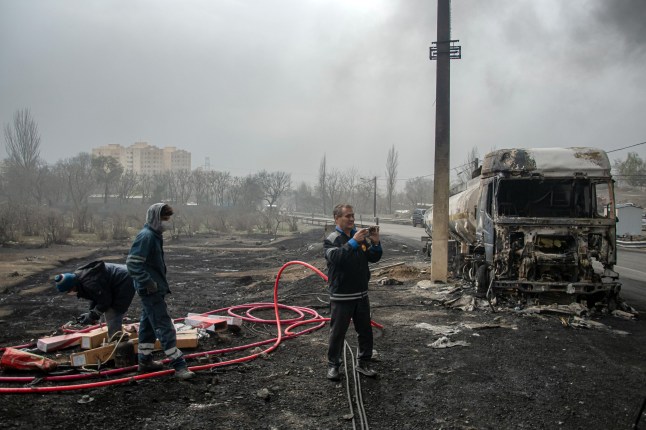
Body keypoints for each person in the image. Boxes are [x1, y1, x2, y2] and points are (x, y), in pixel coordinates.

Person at [126, 203, 195, 380]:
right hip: (150, 291)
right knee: (164, 326)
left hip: (154, 289)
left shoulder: (154, 235)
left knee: (148, 325)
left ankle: (144, 361)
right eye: (164, 219)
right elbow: (133, 264)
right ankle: (179, 365)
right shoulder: (146, 236)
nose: (167, 222)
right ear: (155, 218)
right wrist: (149, 283)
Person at [324, 203, 382, 381]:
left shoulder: (359, 237)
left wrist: (375, 242)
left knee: (365, 331)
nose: (351, 219)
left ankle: (363, 363)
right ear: (337, 218)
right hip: (342, 295)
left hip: (361, 294)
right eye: (347, 216)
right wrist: (353, 242)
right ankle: (333, 365)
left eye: (352, 215)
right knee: (338, 332)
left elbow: (373, 257)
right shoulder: (332, 239)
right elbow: (336, 258)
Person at [54, 261, 135, 339]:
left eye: (68, 290)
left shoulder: (89, 283)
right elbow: (96, 296)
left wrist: (92, 316)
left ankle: (117, 338)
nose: (69, 293)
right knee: (104, 314)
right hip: (119, 276)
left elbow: (105, 302)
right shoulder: (80, 279)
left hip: (124, 279)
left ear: (72, 286)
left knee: (113, 311)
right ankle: (106, 334)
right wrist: (91, 313)